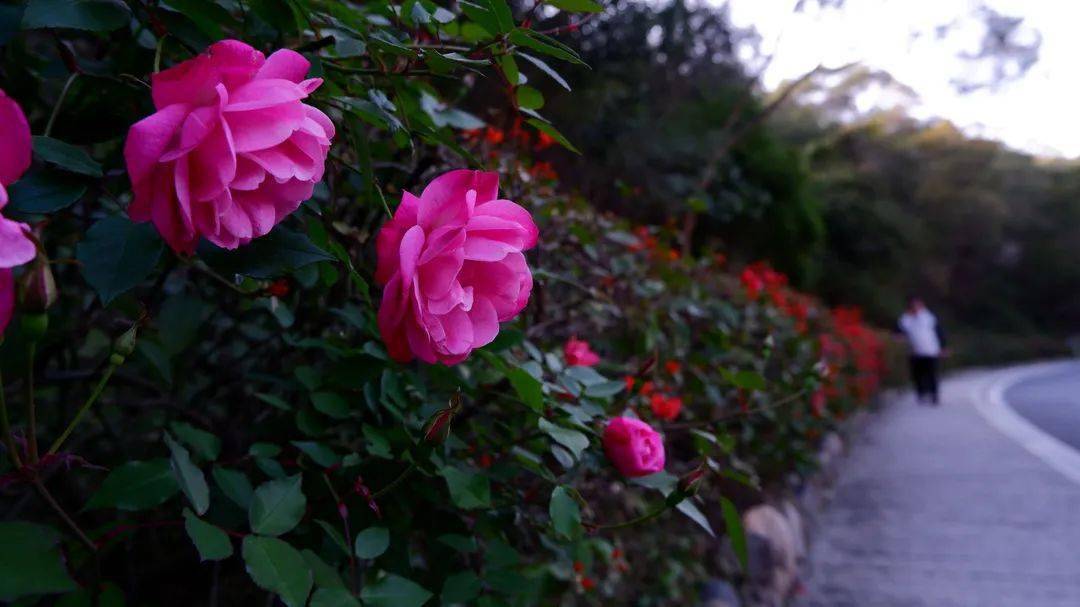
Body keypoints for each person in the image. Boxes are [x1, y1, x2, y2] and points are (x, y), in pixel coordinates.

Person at [898, 297, 946, 404]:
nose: (916, 308)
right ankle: (921, 394)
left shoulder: (929, 317)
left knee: (932, 374)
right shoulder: (906, 319)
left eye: (917, 306)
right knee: (917, 375)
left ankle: (934, 395)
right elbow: (900, 331)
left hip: (930, 350)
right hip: (914, 352)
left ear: (922, 306)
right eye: (913, 306)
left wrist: (943, 347)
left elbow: (939, 331)